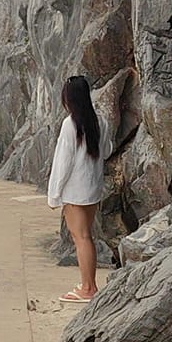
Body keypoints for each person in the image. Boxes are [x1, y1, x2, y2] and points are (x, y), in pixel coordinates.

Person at [48, 75, 112, 303]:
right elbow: (106, 150)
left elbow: (62, 162)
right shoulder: (100, 121)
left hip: (75, 190)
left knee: (81, 237)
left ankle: (88, 288)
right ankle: (89, 284)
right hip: (92, 188)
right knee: (87, 236)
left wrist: (54, 194)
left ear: (69, 98)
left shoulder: (70, 124)